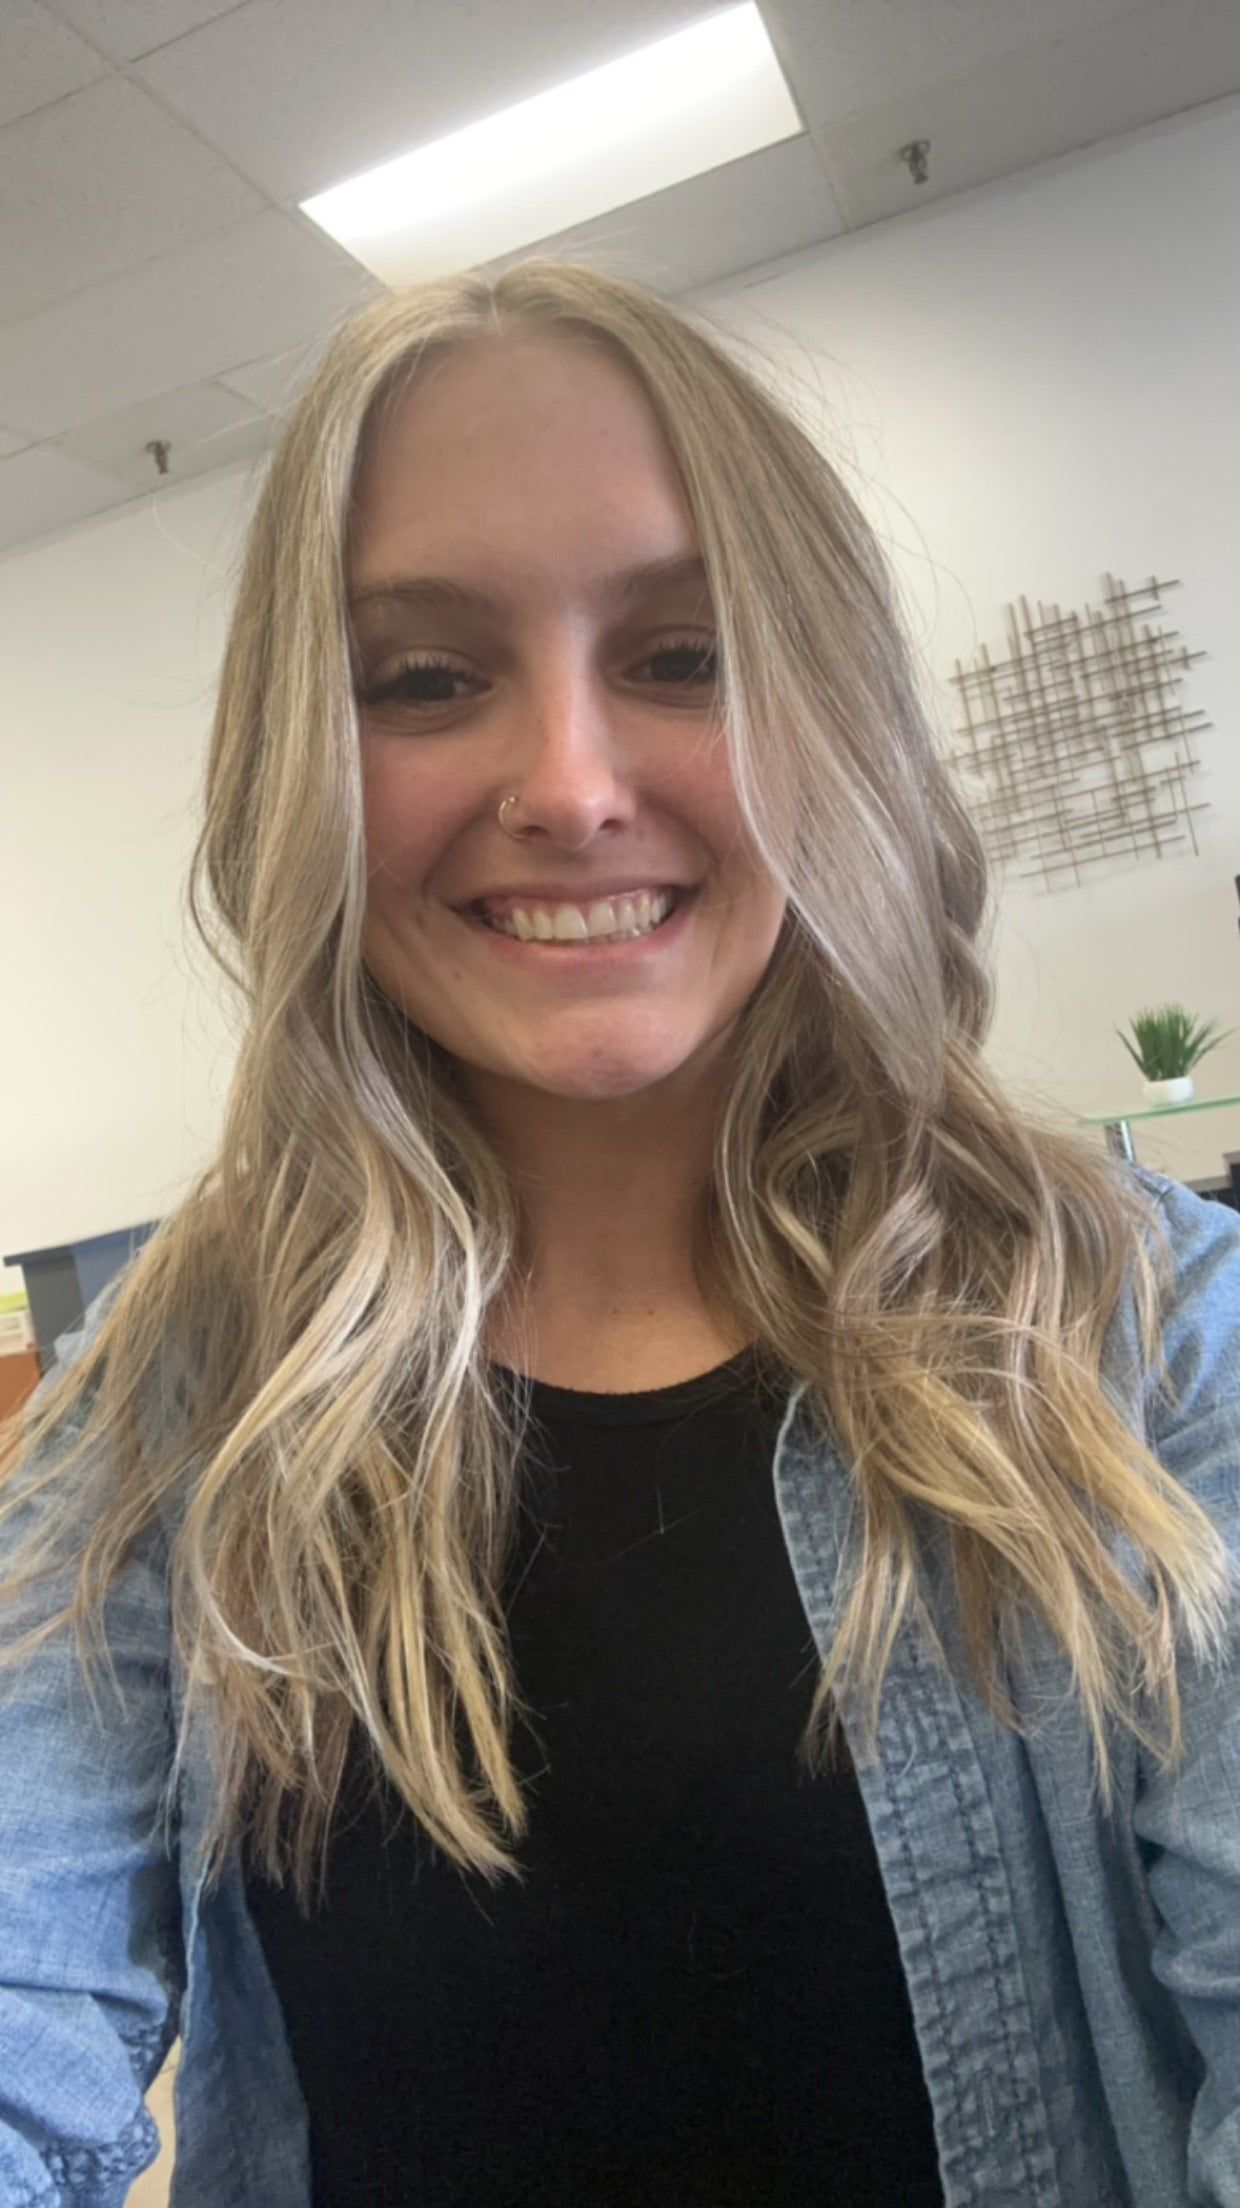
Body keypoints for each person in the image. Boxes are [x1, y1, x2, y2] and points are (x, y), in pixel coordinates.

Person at [0, 255, 1237, 2208]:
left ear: (827, 718)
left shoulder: (1147, 1334)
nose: (567, 788)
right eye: (423, 678)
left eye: (677, 657)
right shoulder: (184, 1390)